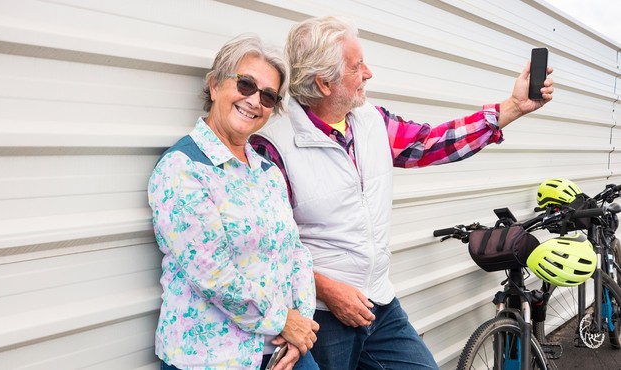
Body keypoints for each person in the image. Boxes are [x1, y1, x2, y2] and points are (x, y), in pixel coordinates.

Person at [250, 16, 554, 370]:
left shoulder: (369, 120)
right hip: (322, 316)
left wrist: (512, 107)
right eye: (356, 66)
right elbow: (268, 249)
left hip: (379, 302)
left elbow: (431, 143)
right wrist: (328, 291)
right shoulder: (273, 146)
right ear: (324, 82)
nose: (368, 73)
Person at [148, 34, 320, 370]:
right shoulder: (182, 168)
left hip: (283, 351)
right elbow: (212, 274)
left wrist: (301, 325)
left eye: (268, 96)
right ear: (214, 86)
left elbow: (296, 251)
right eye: (245, 85)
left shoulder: (267, 172)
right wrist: (285, 322)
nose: (255, 100)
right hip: (213, 357)